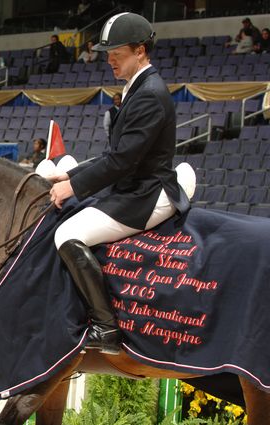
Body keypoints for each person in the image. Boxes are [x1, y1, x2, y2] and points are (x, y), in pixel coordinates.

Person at [46, 13, 195, 355]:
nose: (109, 58)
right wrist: (70, 174)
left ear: (140, 50)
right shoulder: (137, 87)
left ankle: (106, 327)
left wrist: (73, 187)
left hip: (146, 192)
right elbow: (114, 153)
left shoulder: (149, 94)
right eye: (108, 52)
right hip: (133, 185)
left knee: (67, 235)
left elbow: (123, 161)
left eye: (117, 52)